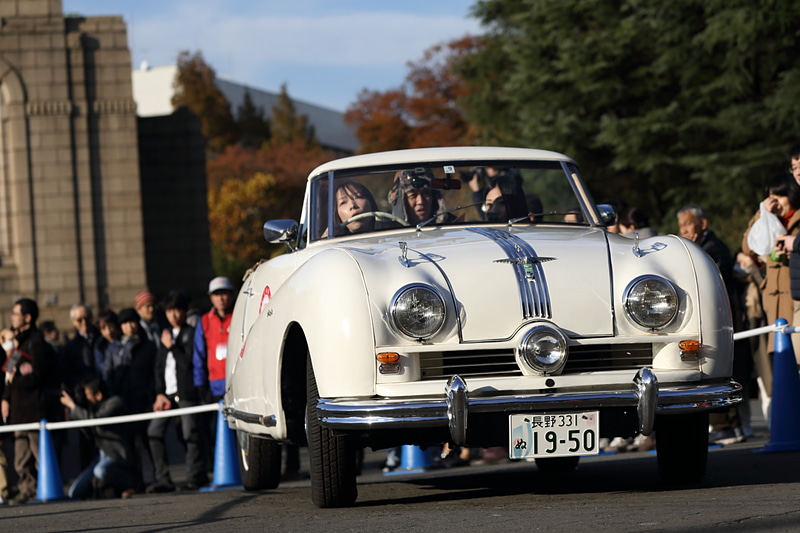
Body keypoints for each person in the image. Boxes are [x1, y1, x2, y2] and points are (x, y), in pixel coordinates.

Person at [678, 204, 750, 443]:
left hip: (719, 318)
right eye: (681, 226)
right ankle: (732, 427)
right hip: (721, 317)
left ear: (703, 224)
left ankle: (725, 426)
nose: (684, 231)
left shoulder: (710, 250)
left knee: (716, 369)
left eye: (688, 224)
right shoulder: (703, 247)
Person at [147, 291, 208, 492]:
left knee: (190, 433)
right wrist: (159, 392)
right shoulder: (165, 335)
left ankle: (194, 476)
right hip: (167, 394)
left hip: (187, 392)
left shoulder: (191, 333)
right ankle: (163, 478)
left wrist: (172, 347)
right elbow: (158, 367)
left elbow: (188, 364)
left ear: (185, 311)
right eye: (169, 311)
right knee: (154, 431)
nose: (173, 315)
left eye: (177, 310)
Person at [0, 298, 59, 504]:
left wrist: (16, 380)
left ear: (27, 317)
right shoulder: (18, 344)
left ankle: (46, 487)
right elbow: (8, 375)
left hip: (34, 408)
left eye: (16, 314)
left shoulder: (36, 342)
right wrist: (5, 398)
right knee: (21, 457)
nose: (12, 318)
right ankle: (27, 489)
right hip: (18, 411)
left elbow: (37, 375)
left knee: (40, 453)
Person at [742, 173, 800, 363]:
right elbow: (748, 246)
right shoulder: (768, 220)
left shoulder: (797, 219)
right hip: (773, 300)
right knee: (781, 357)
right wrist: (762, 214)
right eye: (770, 197)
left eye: (780, 196)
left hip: (794, 297)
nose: (774, 203)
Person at [60, 375, 137, 499]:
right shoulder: (92, 409)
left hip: (117, 457)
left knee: (100, 471)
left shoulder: (115, 402)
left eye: (87, 395)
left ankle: (132, 484)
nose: (86, 398)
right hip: (101, 457)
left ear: (99, 395)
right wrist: (75, 409)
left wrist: (74, 407)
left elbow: (95, 421)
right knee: (74, 492)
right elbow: (88, 432)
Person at [108, 308, 157, 488]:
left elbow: (155, 373)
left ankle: (153, 479)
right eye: (125, 323)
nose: (130, 326)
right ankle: (134, 483)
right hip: (122, 402)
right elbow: (108, 374)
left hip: (143, 400)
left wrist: (151, 394)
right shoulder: (115, 348)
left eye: (132, 322)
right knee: (128, 445)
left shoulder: (148, 346)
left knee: (146, 441)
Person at [193, 277, 235, 403]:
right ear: (211, 297)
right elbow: (198, 355)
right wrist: (200, 384)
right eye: (216, 294)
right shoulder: (205, 321)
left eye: (224, 293)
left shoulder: (240, 316)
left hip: (239, 381)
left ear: (232, 295)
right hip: (215, 386)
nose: (220, 298)